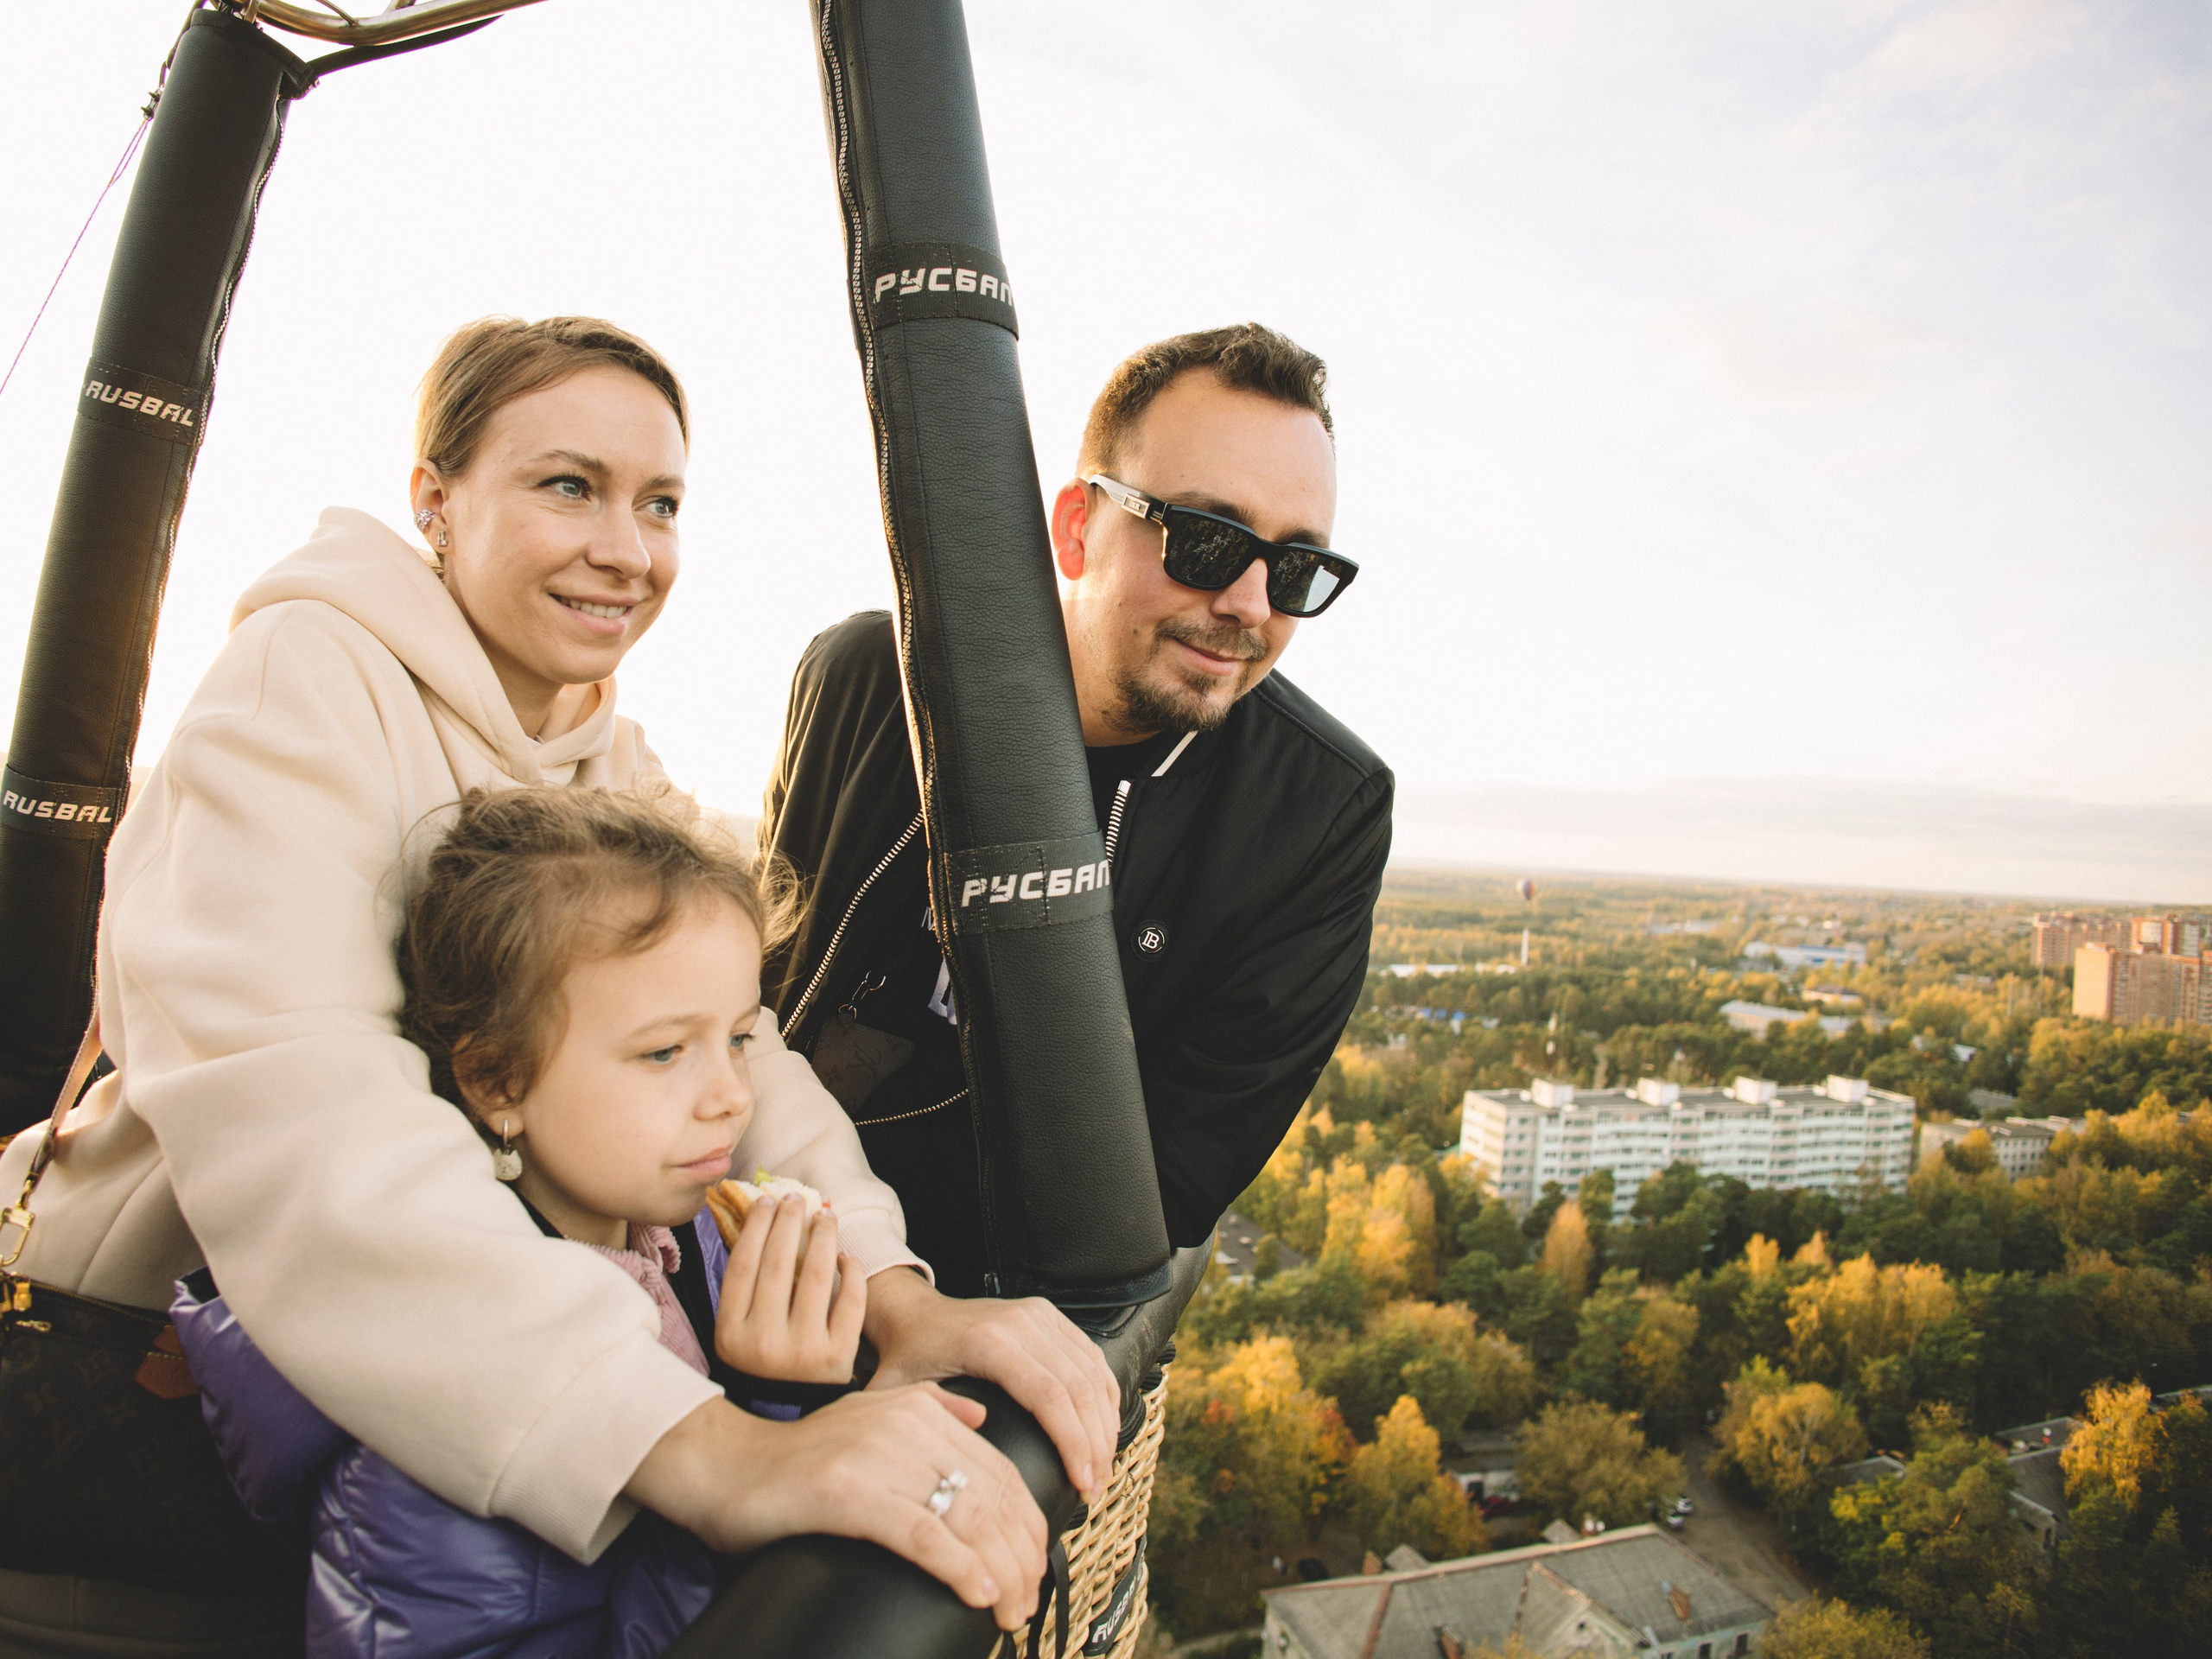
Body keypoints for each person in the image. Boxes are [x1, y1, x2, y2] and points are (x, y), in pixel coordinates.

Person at [0, 316, 1112, 1655]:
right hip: (177, 1376)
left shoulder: (611, 760)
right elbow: (307, 1120)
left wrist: (895, 1295)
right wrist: (705, 1450)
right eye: (566, 486)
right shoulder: (300, 688)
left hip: (473, 1408)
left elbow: (744, 1061)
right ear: (435, 501)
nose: (628, 550)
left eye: (661, 505)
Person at [175, 785, 973, 1658]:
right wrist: (775, 1412)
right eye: (665, 1051)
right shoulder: (436, 1414)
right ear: (498, 1082)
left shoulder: (681, 1234)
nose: (730, 1097)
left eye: (740, 1039)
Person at [761, 322, 1392, 1296]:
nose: (1251, 605)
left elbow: (1165, 1185)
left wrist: (867, 1272)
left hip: (964, 1308)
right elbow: (756, 987)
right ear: (1075, 528)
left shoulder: (1315, 814)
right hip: (722, 1217)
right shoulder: (866, 679)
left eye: (1298, 568)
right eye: (1208, 540)